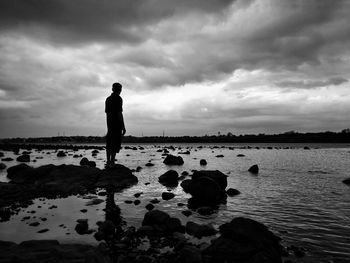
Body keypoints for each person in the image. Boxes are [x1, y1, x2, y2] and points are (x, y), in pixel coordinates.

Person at [105, 82, 126, 167]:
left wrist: (109, 123)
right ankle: (112, 162)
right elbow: (119, 113)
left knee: (109, 142)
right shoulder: (119, 99)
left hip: (109, 123)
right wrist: (123, 126)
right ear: (120, 90)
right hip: (117, 124)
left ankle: (108, 161)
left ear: (112, 89)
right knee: (115, 143)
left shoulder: (108, 99)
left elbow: (107, 113)